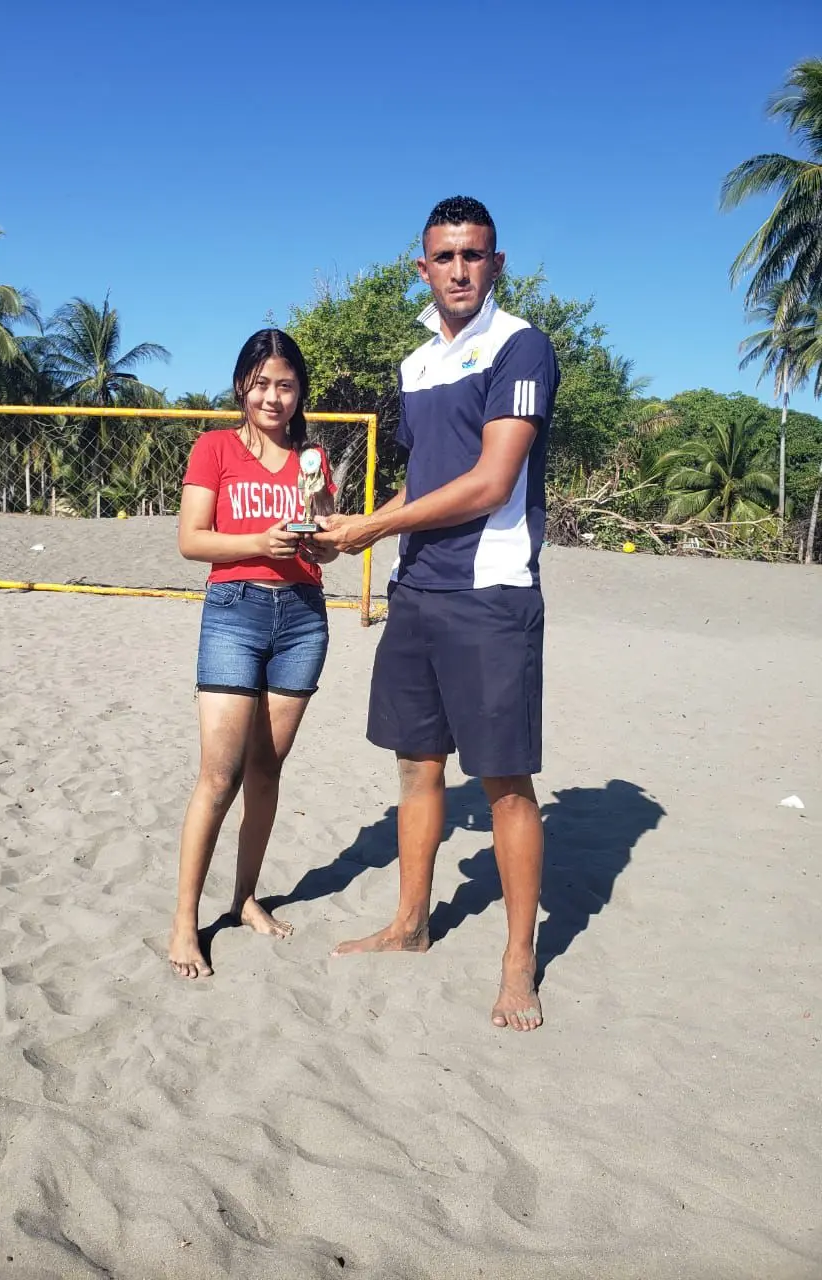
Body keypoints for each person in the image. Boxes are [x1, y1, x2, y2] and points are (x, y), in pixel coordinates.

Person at [314, 196, 560, 1031]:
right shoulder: (417, 363)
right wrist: (352, 530)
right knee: (417, 768)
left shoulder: (520, 345)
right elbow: (421, 484)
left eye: (474, 254)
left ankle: (518, 963)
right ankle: (410, 924)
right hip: (416, 590)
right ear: (422, 268)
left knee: (505, 782)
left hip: (490, 593)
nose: (460, 270)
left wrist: (372, 529)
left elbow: (492, 483)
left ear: (496, 263)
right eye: (445, 257)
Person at [168, 328, 337, 978]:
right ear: (243, 385)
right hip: (234, 614)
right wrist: (257, 544)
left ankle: (244, 900)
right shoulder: (215, 448)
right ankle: (184, 922)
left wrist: (320, 536)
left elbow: (325, 545)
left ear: (299, 393)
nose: (273, 396)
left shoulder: (312, 457)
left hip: (302, 619)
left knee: (266, 772)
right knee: (219, 776)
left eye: (285, 385)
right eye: (262, 383)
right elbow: (192, 540)